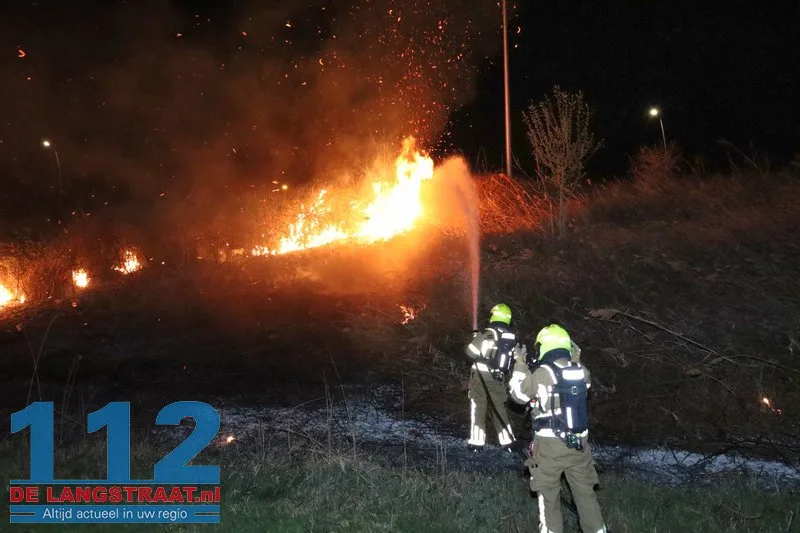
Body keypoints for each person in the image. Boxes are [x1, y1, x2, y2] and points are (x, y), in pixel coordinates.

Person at [508, 324, 607, 533]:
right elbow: (582, 387)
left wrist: (519, 363)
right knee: (586, 497)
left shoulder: (543, 373)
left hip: (550, 447)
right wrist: (576, 359)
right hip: (579, 446)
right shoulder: (580, 371)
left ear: (544, 347)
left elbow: (518, 395)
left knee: (548, 499)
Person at [464, 303, 518, 451]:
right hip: (498, 378)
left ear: (494, 315)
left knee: (478, 406)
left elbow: (470, 353)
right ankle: (508, 443)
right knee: (499, 408)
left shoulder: (488, 333)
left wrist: (475, 338)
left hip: (481, 377)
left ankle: (476, 443)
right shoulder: (510, 337)